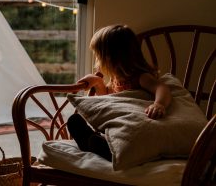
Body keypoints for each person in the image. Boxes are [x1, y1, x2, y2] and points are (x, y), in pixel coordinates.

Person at [67, 24, 172, 161]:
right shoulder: (115, 80)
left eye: (98, 56)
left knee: (127, 136)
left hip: (133, 127)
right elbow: (109, 101)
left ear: (112, 57)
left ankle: (107, 150)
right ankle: (94, 142)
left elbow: (161, 88)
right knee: (75, 122)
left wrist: (159, 104)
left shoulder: (140, 77)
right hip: (117, 126)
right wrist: (98, 83)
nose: (97, 61)